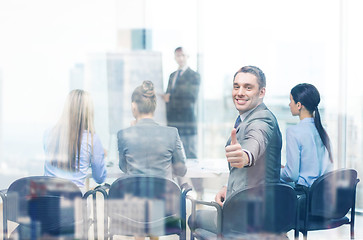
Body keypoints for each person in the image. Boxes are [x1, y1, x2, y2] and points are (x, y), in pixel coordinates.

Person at [190, 65, 282, 233]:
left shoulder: (262, 119)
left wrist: (245, 156)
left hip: (248, 216)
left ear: (261, 92)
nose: (240, 92)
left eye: (248, 87)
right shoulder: (246, 118)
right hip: (252, 207)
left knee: (193, 217)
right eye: (236, 86)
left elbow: (255, 142)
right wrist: (228, 188)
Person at [117, 80, 187, 180]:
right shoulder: (172, 133)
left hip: (135, 194)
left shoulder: (124, 134)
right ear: (154, 106)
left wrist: (133, 129)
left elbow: (124, 167)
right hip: (163, 194)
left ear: (133, 106)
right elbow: (182, 171)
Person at [43, 89, 107, 193]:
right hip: (73, 203)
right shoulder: (91, 139)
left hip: (47, 202)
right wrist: (98, 156)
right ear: (88, 112)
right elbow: (99, 178)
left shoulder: (49, 133)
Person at [163, 46, 202, 195]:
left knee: (191, 157)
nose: (180, 58)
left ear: (187, 56)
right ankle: (181, 190)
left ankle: (199, 191)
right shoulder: (172, 75)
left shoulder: (194, 76)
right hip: (173, 123)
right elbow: (168, 95)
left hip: (187, 123)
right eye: (177, 56)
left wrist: (170, 99)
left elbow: (190, 99)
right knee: (176, 159)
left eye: (182, 56)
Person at [280, 83, 333, 187]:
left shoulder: (293, 131)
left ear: (299, 105)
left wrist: (273, 171)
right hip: (320, 195)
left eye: (291, 101)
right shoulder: (322, 130)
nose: (289, 104)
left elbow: (292, 175)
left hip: (303, 194)